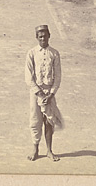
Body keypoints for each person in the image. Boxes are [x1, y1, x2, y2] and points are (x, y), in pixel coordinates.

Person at [25, 24, 63, 162]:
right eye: (40, 36)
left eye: (45, 36)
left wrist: (51, 94)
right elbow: (28, 76)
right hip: (36, 92)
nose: (43, 38)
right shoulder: (31, 53)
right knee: (35, 120)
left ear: (49, 36)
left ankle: (49, 150)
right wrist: (39, 94)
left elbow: (58, 76)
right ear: (36, 37)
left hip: (49, 92)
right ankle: (35, 149)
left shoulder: (54, 53)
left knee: (49, 121)